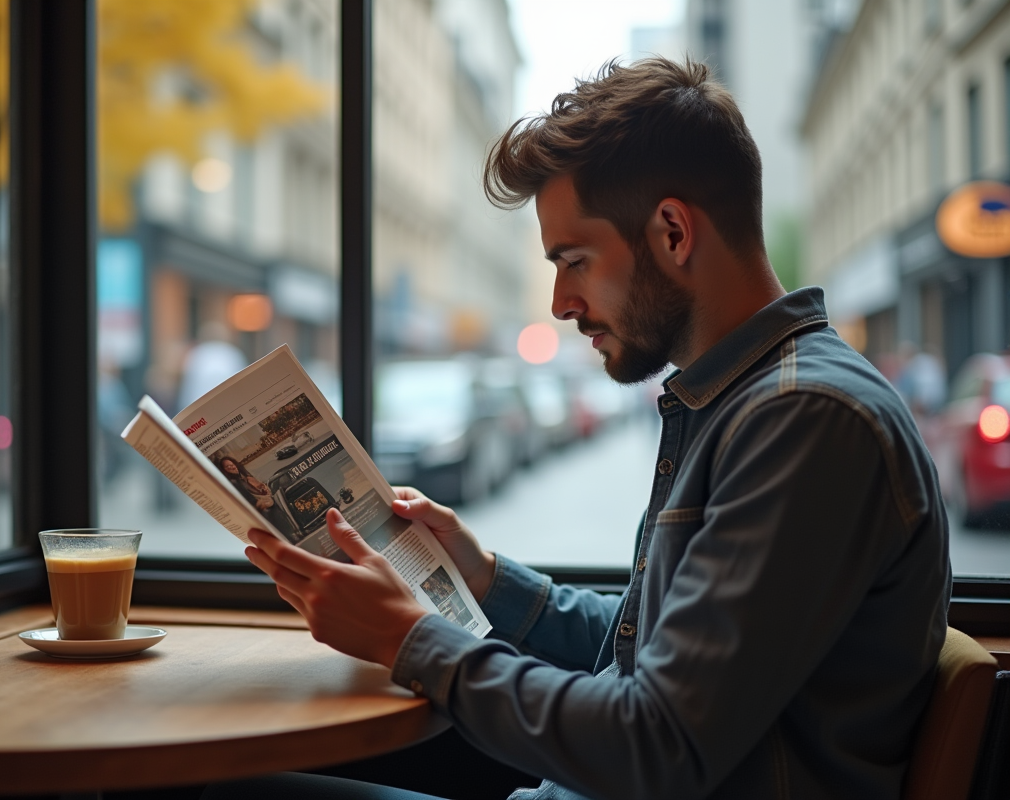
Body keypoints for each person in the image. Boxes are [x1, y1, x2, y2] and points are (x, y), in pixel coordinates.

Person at [211, 57, 951, 800]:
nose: (561, 303)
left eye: (574, 260)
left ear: (671, 232)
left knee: (223, 790)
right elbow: (652, 647)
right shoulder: (744, 400)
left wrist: (407, 639)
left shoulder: (804, 420)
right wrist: (484, 578)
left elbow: (657, 743)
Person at [217, 455, 298, 538]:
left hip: (268, 504)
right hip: (264, 512)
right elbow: (250, 502)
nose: (231, 467)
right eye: (227, 467)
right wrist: (264, 503)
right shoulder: (235, 483)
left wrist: (263, 489)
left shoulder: (244, 476)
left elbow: (262, 489)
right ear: (224, 471)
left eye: (232, 464)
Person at [178, 321, 247, 411]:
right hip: (230, 407)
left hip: (197, 409)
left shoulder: (196, 354)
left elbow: (187, 391)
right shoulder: (233, 354)